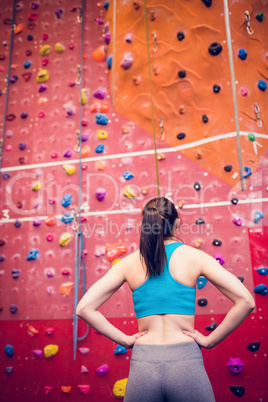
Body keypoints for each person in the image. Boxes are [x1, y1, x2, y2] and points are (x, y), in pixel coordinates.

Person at [76, 197, 255, 401]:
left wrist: (124, 340)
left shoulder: (128, 263)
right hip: (185, 362)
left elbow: (84, 308)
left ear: (146, 224)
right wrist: (209, 341)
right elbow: (246, 301)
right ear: (177, 223)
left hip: (144, 363)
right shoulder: (194, 257)